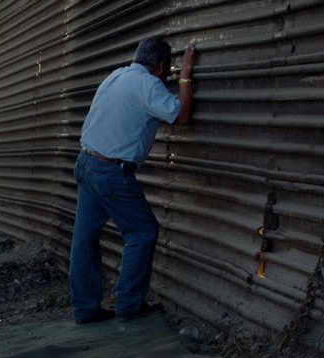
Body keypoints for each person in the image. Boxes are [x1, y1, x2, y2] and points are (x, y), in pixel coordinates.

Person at [71, 37, 196, 324]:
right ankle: (129, 303)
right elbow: (182, 115)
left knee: (85, 241)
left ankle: (85, 309)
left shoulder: (116, 76)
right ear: (163, 65)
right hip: (109, 172)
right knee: (143, 232)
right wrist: (186, 75)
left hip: (86, 162)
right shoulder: (148, 85)